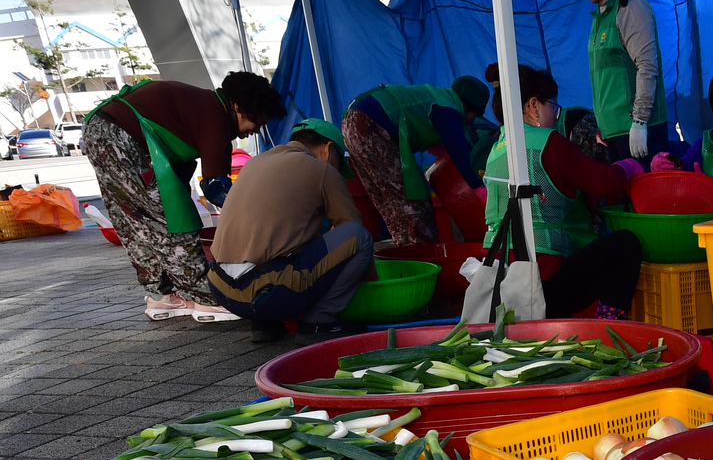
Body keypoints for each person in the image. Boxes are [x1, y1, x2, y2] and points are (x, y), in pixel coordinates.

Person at [84, 72, 285, 321]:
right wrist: (260, 222)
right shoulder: (215, 117)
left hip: (101, 130)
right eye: (258, 121)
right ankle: (207, 298)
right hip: (118, 136)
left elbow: (182, 180)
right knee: (171, 218)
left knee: (136, 220)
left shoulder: (202, 107)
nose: (254, 131)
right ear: (241, 108)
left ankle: (163, 296)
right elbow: (216, 188)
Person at [481, 65, 642, 320]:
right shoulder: (549, 142)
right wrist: (630, 166)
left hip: (501, 283)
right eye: (552, 107)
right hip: (543, 287)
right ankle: (609, 328)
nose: (555, 116)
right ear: (534, 105)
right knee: (626, 245)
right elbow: (604, 182)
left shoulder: (498, 148)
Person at [206, 118, 375, 345]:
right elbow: (351, 227)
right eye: (338, 162)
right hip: (268, 293)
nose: (336, 168)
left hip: (222, 290)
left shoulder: (255, 164)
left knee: (283, 245)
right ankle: (319, 323)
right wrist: (371, 279)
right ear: (329, 149)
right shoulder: (322, 169)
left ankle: (265, 324)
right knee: (360, 237)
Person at [557, 0, 669, 162]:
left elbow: (647, 65)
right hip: (614, 133)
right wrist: (603, 124)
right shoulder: (600, 14)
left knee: (644, 195)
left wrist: (639, 121)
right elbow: (606, 82)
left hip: (638, 132)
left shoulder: (630, 6)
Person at [342, 78, 489, 245]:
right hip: (369, 123)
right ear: (467, 106)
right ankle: (424, 257)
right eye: (474, 115)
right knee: (415, 204)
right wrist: (479, 190)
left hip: (351, 122)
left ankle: (406, 253)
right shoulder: (448, 108)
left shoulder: (437, 98)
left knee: (390, 205)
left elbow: (440, 147)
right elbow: (460, 153)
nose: (471, 121)